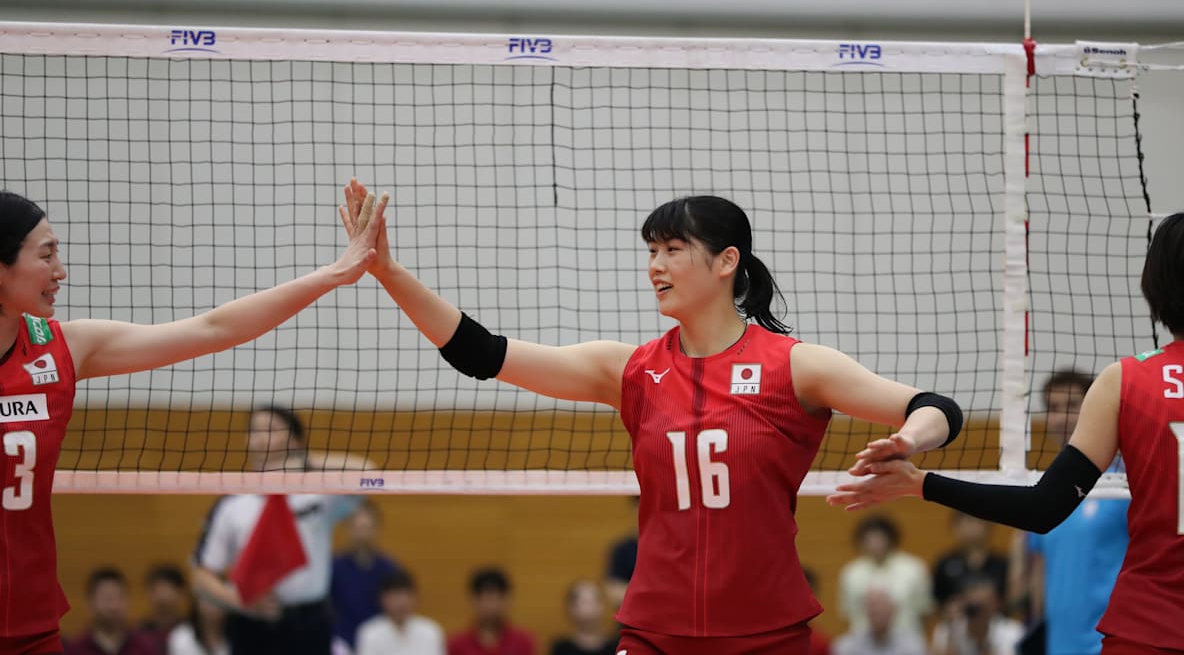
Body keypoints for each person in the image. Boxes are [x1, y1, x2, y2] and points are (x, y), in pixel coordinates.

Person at [340, 176, 962, 655]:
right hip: (654, 631)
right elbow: (482, 354)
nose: (654, 266)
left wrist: (908, 439)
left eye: (672, 250)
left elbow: (937, 408)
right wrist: (387, 272)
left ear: (726, 261)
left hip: (766, 631)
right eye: (651, 251)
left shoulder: (795, 366)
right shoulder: (630, 369)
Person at [830, 206, 1184, 654]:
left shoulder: (1125, 381)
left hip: (1148, 633)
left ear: (1157, 284)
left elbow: (1043, 508)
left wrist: (921, 483)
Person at [0, 190, 384, 652]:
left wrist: (334, 274)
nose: (61, 270)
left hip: (31, 619)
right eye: (46, 255)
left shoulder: (62, 348)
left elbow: (214, 329)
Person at [190, 405, 368, 655]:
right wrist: (239, 602)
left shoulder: (319, 493)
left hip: (310, 623)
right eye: (254, 430)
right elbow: (201, 577)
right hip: (251, 625)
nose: (260, 437)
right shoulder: (231, 503)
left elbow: (368, 473)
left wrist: (302, 462)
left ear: (294, 440)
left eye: (271, 429)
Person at [1012, 370, 1128, 655]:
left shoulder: (1124, 484)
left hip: (1113, 645)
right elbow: (1039, 575)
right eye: (1053, 408)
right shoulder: (1042, 489)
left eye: (1072, 405)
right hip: (1059, 647)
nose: (1061, 417)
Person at [837, 517, 932, 639]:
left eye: (880, 538)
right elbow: (849, 613)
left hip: (906, 640)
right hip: (865, 642)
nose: (875, 543)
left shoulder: (913, 568)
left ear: (891, 539)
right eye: (870, 539)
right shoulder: (851, 573)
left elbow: (925, 611)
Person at [331, 500, 405, 648]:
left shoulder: (389, 569)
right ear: (347, 529)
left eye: (367, 528)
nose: (362, 535)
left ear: (376, 529)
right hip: (342, 644)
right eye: (357, 528)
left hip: (380, 644)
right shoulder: (333, 568)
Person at [62, 568, 159, 655]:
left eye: (119, 598)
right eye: (107, 599)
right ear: (89, 603)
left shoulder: (145, 646)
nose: (113, 606)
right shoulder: (75, 649)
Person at [446, 567, 537, 655]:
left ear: (506, 600)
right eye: (485, 599)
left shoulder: (523, 642)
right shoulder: (456, 645)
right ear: (473, 600)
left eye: (495, 599)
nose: (491, 606)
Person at [931, 513, 1007, 616]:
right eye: (967, 522)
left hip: (996, 622)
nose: (972, 528)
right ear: (955, 527)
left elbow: (1010, 601)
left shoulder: (1001, 563)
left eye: (977, 521)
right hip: (956, 622)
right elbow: (936, 603)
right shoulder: (945, 564)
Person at [354, 569, 445, 655]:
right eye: (396, 596)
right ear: (383, 598)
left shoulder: (430, 630)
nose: (402, 602)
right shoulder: (370, 632)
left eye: (407, 595)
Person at [928, 577, 1022, 655]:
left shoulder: (1012, 632)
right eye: (973, 607)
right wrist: (950, 629)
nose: (979, 614)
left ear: (997, 604)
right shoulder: (949, 629)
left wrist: (984, 641)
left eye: (984, 607)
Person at [831, 589, 926, 655]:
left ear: (894, 610)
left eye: (882, 607)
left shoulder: (913, 645)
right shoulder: (846, 647)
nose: (877, 612)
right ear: (865, 611)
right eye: (873, 607)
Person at [547, 580, 618, 655]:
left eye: (596, 600)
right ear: (571, 608)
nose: (591, 607)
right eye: (585, 602)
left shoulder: (617, 647)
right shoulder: (561, 648)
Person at [139, 564, 189, 654]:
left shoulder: (191, 631)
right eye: (156, 589)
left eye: (167, 589)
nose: (162, 596)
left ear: (181, 593)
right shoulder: (139, 633)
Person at [601, 496, 638, 611]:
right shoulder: (622, 549)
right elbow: (614, 591)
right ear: (634, 509)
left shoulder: (673, 547)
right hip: (632, 619)